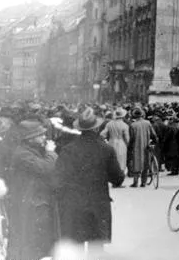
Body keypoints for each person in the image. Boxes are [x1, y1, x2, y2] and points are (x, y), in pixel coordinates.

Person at [55, 107, 125, 256]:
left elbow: (59, 179)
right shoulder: (106, 150)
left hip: (75, 206)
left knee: (77, 248)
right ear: (96, 128)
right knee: (96, 248)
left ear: (80, 129)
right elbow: (118, 179)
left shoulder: (68, 150)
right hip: (98, 206)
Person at [7, 120, 58, 260]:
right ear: (30, 138)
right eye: (41, 135)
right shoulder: (23, 154)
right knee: (33, 242)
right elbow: (46, 168)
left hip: (35, 202)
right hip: (30, 205)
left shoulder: (29, 151)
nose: (44, 137)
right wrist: (51, 153)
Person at [127, 107, 159, 187]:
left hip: (136, 147)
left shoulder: (133, 125)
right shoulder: (147, 123)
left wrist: (129, 148)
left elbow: (131, 139)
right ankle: (144, 182)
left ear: (134, 116)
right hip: (146, 146)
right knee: (146, 163)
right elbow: (154, 135)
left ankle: (135, 182)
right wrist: (154, 142)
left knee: (136, 163)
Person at [100, 107, 130, 179]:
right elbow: (127, 138)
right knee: (121, 162)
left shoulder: (109, 124)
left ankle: (113, 178)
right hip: (121, 143)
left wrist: (105, 141)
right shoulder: (125, 125)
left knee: (112, 161)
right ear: (122, 116)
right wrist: (127, 144)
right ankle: (119, 180)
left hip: (111, 142)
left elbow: (102, 134)